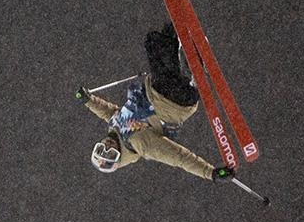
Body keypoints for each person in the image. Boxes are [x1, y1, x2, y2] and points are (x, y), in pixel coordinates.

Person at [77, 23, 236, 184]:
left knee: (153, 41)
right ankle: (192, 70)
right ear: (119, 158)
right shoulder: (140, 144)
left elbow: (107, 112)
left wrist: (88, 100)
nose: (107, 146)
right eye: (111, 154)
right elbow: (177, 156)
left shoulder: (115, 126)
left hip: (155, 89)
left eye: (100, 148)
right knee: (165, 58)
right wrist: (210, 173)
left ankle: (178, 36)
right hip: (174, 102)